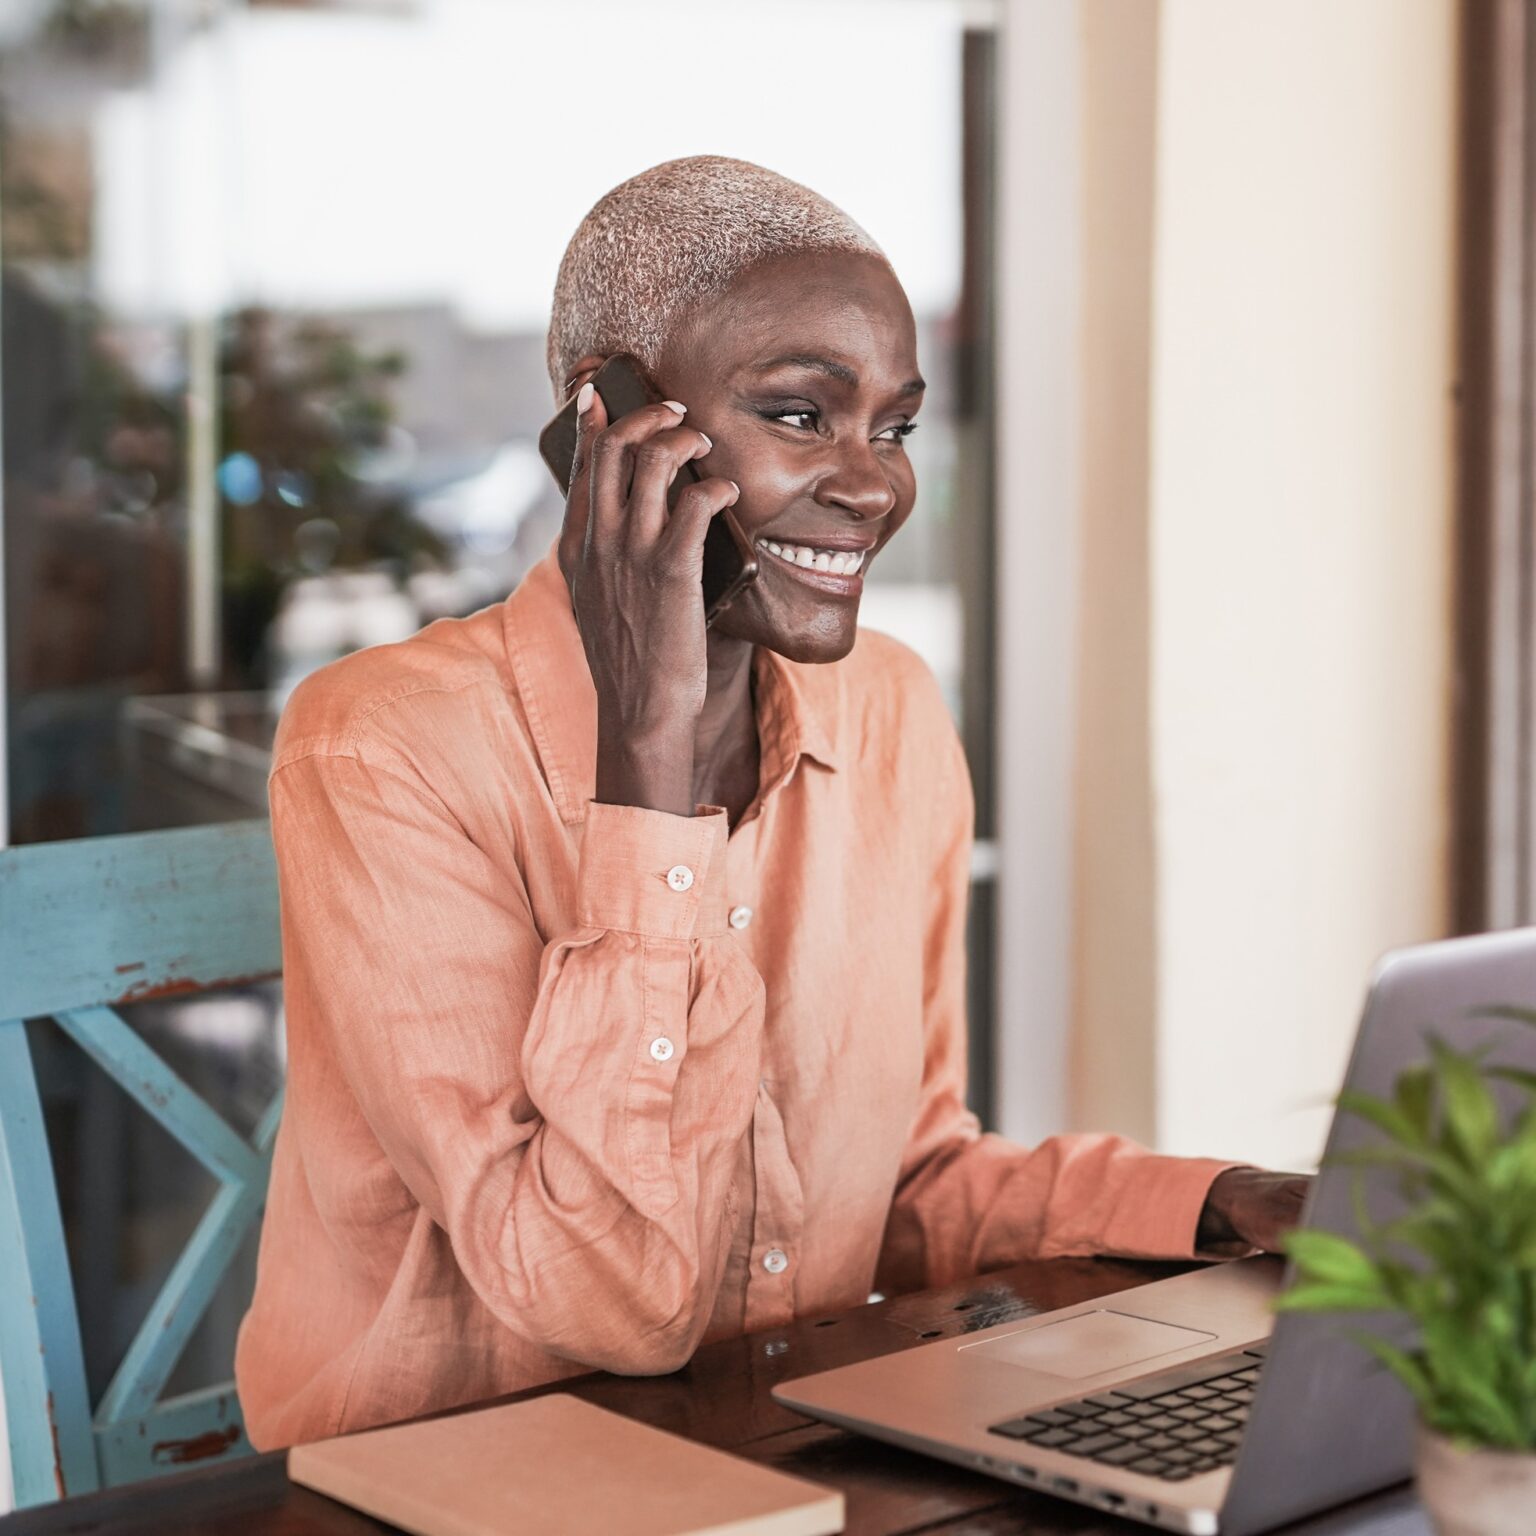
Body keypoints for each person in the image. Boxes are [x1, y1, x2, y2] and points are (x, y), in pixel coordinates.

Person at [235, 156, 1307, 1450]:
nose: (875, 486)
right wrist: (648, 754)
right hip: (448, 1473)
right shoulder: (381, 749)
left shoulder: (889, 710)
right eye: (802, 415)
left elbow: (907, 1181)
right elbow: (605, 1302)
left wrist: (1223, 1203)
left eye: (895, 428)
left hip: (765, 1434)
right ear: (609, 423)